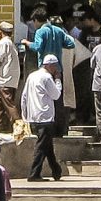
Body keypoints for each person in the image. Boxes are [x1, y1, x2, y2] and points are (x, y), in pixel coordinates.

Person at [21, 51, 66, 181]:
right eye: (55, 67)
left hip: (34, 116)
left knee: (47, 145)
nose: (56, 69)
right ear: (50, 66)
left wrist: (25, 115)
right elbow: (56, 95)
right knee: (41, 146)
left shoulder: (32, 76)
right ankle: (34, 174)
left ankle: (56, 171)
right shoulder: (47, 78)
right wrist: (57, 80)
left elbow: (24, 96)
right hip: (45, 116)